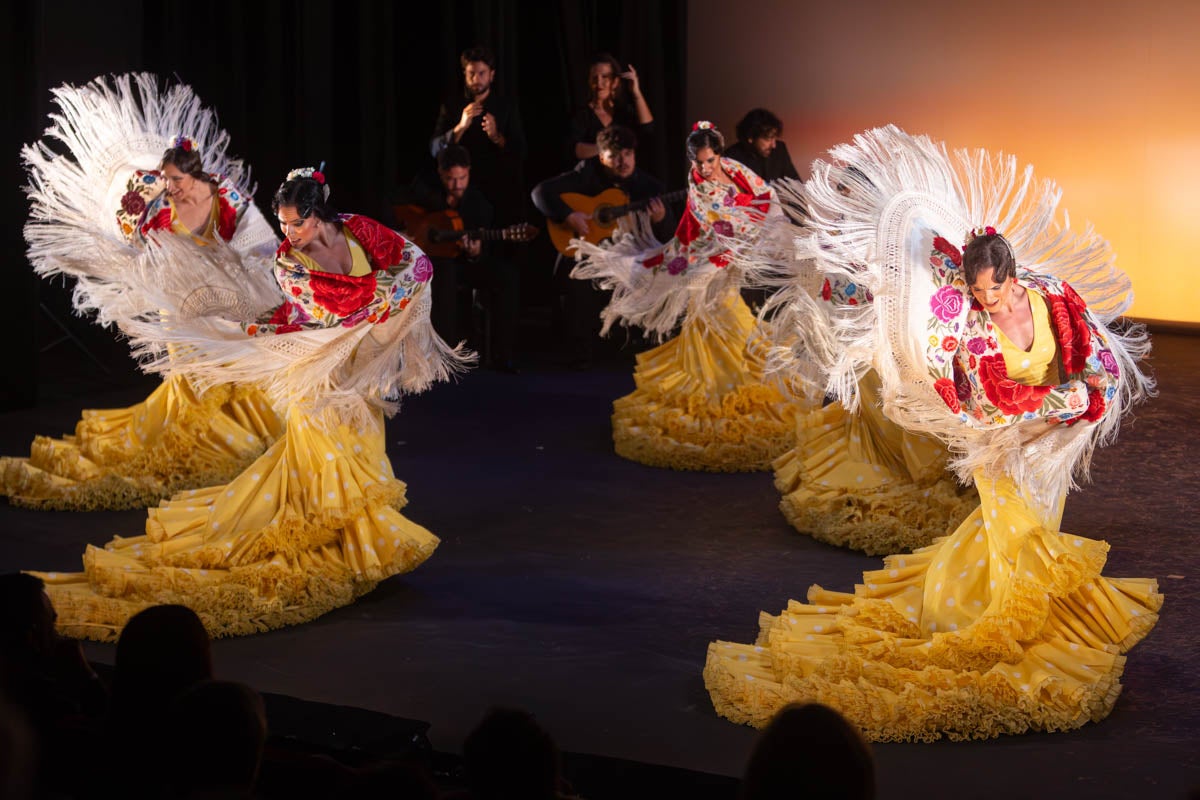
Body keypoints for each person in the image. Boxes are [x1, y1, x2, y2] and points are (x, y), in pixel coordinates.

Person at [705, 125, 1163, 740]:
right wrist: (1058, 401)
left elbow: (1092, 353)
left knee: (1032, 528)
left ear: (1015, 276)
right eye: (977, 292)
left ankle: (979, 597)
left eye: (995, 289)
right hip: (1001, 440)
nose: (988, 301)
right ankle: (990, 620)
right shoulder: (967, 324)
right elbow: (987, 398)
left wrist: (1085, 395)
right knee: (1016, 531)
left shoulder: (1053, 296)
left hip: (1049, 439)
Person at [28, 169, 463, 641]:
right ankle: (351, 549)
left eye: (296, 223)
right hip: (315, 371)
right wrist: (385, 295)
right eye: (284, 223)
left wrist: (386, 299)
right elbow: (332, 315)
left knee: (362, 451)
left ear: (319, 217)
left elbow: (416, 263)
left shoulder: (360, 229)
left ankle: (355, 545)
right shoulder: (289, 263)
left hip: (358, 373)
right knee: (331, 461)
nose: (288, 232)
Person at [1, 74, 283, 511]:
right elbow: (132, 248)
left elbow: (257, 240)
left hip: (222, 294)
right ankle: (204, 442)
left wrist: (252, 276)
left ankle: (238, 436)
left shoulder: (224, 194)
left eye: (179, 180)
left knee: (235, 369)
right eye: (167, 179)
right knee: (192, 378)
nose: (173, 187)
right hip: (179, 301)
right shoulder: (154, 202)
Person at [570, 122, 805, 471]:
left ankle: (734, 386)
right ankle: (715, 392)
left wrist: (757, 234)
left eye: (710, 161)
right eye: (699, 162)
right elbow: (713, 225)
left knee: (734, 322)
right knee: (714, 318)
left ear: (720, 155)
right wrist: (730, 238)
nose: (705, 168)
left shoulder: (736, 169)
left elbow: (765, 198)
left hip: (731, 260)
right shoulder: (698, 181)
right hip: (706, 258)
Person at [532, 124, 673, 368]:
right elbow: (540, 192)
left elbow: (669, 234)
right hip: (594, 250)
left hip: (631, 254)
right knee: (578, 270)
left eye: (628, 154)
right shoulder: (587, 173)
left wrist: (660, 219)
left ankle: (638, 347)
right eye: (615, 156)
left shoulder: (649, 187)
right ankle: (582, 350)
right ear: (601, 157)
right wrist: (568, 215)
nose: (623, 162)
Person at [403, 145, 520, 372]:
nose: (457, 185)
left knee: (507, 276)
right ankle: (443, 357)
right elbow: (399, 207)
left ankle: (502, 355)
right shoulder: (425, 190)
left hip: (464, 263)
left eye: (462, 178)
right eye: (450, 179)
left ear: (469, 172)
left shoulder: (478, 203)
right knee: (444, 272)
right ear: (440, 173)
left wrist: (475, 252)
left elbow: (482, 249)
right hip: (430, 264)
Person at [431, 46, 527, 225]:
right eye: (471, 74)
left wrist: (496, 136)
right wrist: (460, 127)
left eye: (482, 73)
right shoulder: (452, 106)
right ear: (465, 74)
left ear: (492, 74)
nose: (476, 79)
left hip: (496, 182)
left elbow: (519, 151)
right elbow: (435, 149)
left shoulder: (505, 106)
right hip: (461, 187)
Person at [567, 53, 654, 162]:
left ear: (615, 82)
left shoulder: (624, 111)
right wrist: (607, 147)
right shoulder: (581, 114)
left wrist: (636, 93)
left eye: (604, 77)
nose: (599, 83)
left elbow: (647, 129)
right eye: (594, 77)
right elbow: (574, 149)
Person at [723, 108, 800, 183]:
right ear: (750, 137)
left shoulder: (780, 149)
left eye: (775, 138)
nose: (774, 145)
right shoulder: (730, 158)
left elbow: (795, 182)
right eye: (768, 139)